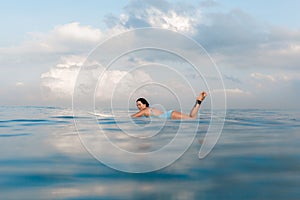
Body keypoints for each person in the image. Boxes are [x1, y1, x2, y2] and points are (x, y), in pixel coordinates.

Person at [131, 92, 207, 120]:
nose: (138, 107)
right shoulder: (149, 109)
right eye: (137, 105)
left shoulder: (145, 110)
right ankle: (198, 102)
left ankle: (198, 102)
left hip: (170, 115)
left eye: (139, 105)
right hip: (170, 114)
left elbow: (134, 116)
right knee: (192, 118)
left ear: (144, 104)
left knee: (192, 119)